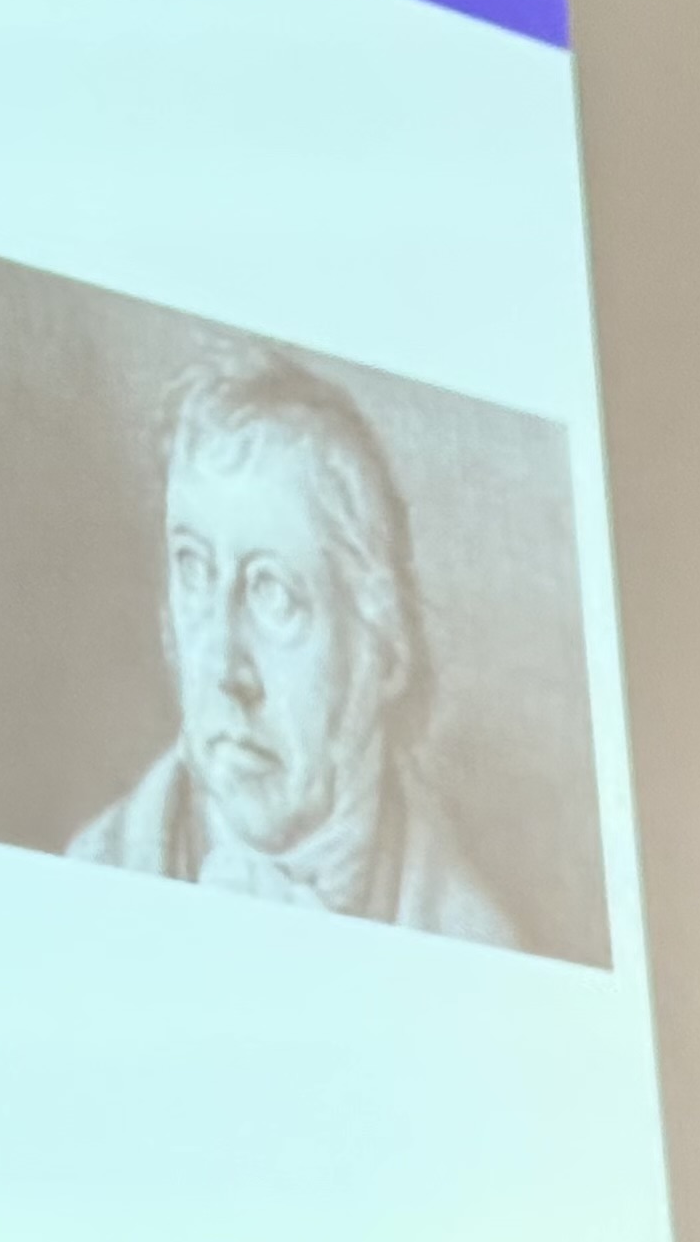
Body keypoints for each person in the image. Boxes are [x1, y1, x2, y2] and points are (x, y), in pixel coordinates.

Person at [68, 345, 515, 946]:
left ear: (383, 655)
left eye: (273, 593)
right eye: (195, 571)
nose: (226, 668)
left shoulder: (478, 944)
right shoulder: (89, 874)